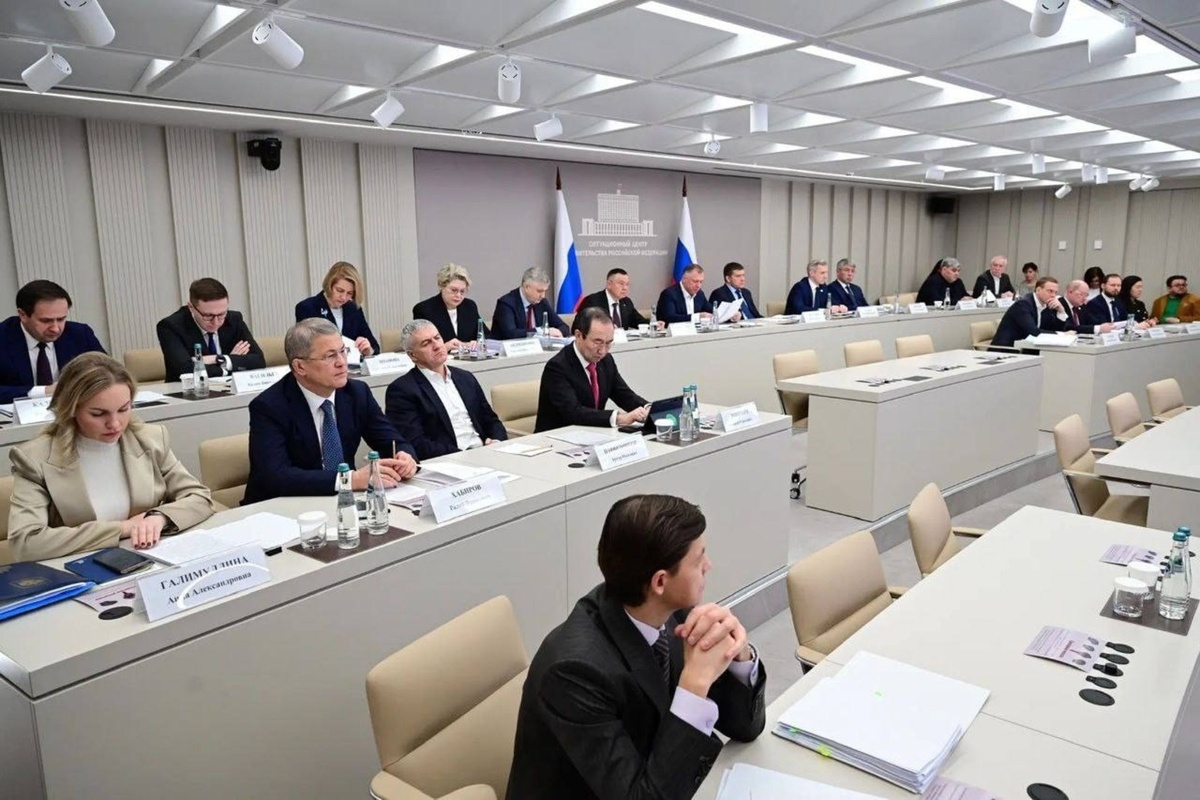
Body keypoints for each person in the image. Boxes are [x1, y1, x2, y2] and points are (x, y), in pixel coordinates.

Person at [507, 494, 766, 798]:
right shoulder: (573, 672)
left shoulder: (671, 612)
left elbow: (746, 728)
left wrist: (739, 657)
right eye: (698, 560)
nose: (709, 566)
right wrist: (694, 685)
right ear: (660, 582)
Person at [7, 353, 215, 561]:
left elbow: (200, 498)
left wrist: (159, 518)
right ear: (71, 409)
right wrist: (123, 528)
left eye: (123, 409)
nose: (115, 424)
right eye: (98, 414)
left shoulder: (150, 439)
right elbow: (25, 543)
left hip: (148, 558)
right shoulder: (35, 458)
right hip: (78, 567)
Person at [243, 319, 417, 505]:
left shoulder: (357, 393)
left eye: (343, 351)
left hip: (343, 502)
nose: (342, 362)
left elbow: (391, 440)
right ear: (300, 366)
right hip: (283, 505)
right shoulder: (269, 406)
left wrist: (405, 456)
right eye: (329, 356)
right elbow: (275, 476)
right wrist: (349, 480)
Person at [384, 320, 507, 460]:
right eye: (426, 343)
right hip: (448, 461)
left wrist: (497, 442)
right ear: (412, 355)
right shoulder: (402, 390)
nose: (436, 346)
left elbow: (491, 420)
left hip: (486, 453)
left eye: (437, 338)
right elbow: (416, 443)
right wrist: (465, 456)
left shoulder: (465, 377)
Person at [534, 307, 649, 432]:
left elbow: (624, 394)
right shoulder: (557, 367)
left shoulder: (606, 361)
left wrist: (649, 409)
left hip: (592, 433)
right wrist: (620, 418)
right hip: (557, 437)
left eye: (608, 343)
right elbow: (573, 412)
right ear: (578, 336)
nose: (603, 351)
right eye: (597, 342)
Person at [0, 280, 106, 403]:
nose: (55, 328)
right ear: (23, 315)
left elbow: (107, 374)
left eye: (61, 319)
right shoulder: (3, 336)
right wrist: (44, 391)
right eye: (46, 321)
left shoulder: (80, 334)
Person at [157, 278, 265, 381]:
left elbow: (258, 361)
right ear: (191, 307)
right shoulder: (170, 326)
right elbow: (185, 369)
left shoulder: (234, 320)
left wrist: (219, 359)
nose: (216, 322)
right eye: (208, 316)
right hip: (186, 391)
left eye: (222, 314)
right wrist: (229, 363)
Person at [295, 261, 379, 358]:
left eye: (349, 293)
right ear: (329, 285)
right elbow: (303, 350)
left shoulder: (354, 309)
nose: (343, 297)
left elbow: (375, 347)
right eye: (340, 290)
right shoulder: (307, 308)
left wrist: (368, 350)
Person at [411, 263, 490, 351]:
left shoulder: (469, 306)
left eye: (462, 291)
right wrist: (444, 347)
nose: (458, 295)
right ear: (441, 286)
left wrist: (477, 342)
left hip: (467, 357)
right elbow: (421, 345)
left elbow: (486, 335)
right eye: (454, 290)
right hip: (441, 358)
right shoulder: (424, 309)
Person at [989, 277, 1069, 350]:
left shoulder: (1046, 306)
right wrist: (1062, 334)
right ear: (1038, 290)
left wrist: (1061, 312)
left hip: (1028, 348)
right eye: (1050, 291)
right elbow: (1033, 331)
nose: (1053, 295)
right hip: (1006, 350)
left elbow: (1052, 329)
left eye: (1055, 292)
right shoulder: (1023, 305)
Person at [492, 267, 569, 339]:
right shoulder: (506, 303)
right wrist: (541, 331)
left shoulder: (542, 302)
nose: (543, 296)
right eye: (539, 291)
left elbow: (564, 327)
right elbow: (511, 334)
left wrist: (558, 332)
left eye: (545, 291)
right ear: (526, 287)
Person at [578, 268, 651, 330]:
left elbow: (639, 322)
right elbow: (579, 326)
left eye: (627, 284)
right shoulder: (592, 301)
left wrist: (653, 324)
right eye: (621, 284)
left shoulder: (626, 302)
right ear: (609, 284)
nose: (625, 288)